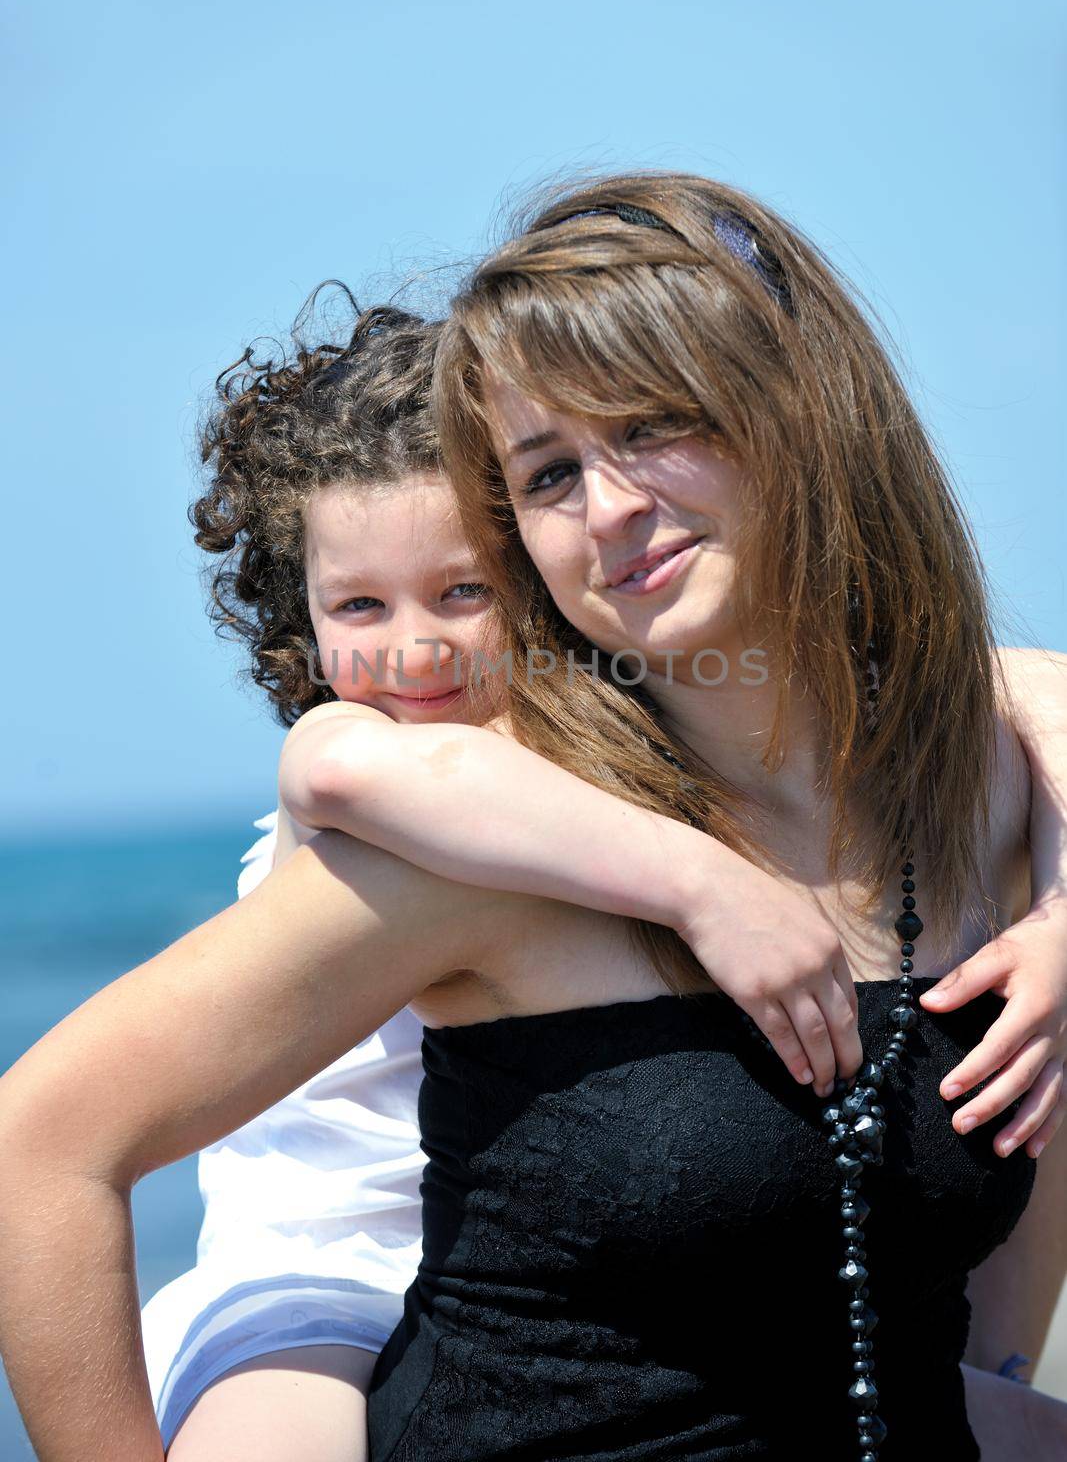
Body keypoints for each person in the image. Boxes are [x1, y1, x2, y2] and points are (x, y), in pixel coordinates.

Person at [0, 175, 1066, 1460]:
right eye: (551, 471)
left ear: (804, 409)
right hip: (322, 1291)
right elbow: (41, 1148)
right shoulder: (472, 827)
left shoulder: (991, 784)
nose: (609, 508)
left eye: (656, 423)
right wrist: (693, 879)